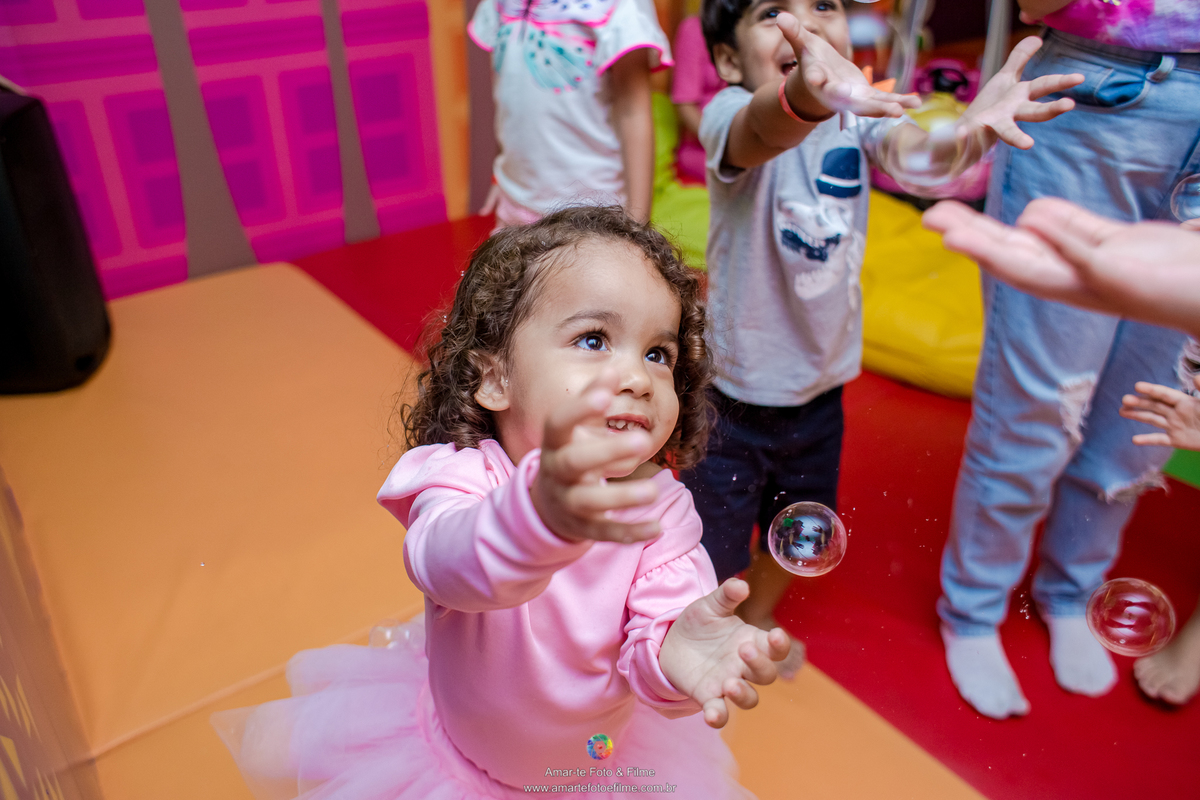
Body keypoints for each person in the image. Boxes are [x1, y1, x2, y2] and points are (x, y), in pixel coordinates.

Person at [212, 206, 789, 799]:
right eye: (593, 339)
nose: (638, 378)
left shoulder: (659, 509)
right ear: (495, 378)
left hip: (596, 770)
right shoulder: (463, 479)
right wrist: (534, 517)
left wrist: (675, 653)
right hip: (452, 768)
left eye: (657, 354)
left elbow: (660, 633)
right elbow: (445, 562)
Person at [680, 0, 1081, 676]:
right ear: (727, 61)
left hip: (820, 393)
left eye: (825, 7)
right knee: (709, 543)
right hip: (734, 397)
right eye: (776, 11)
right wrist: (804, 94)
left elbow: (925, 157)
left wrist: (977, 128)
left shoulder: (856, 122)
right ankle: (706, 632)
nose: (807, 25)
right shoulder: (730, 114)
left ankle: (757, 615)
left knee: (804, 530)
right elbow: (762, 126)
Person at [930, 0, 1200, 719]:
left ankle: (1073, 591)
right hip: (1099, 86)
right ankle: (974, 609)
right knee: (1039, 402)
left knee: (1148, 410)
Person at [924, 196, 1200, 707]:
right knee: (1031, 424)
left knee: (1139, 433)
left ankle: (1072, 594)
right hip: (1088, 127)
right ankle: (973, 613)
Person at [469, 0, 670, 227]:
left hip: (592, 212)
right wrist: (500, 176)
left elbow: (633, 111)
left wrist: (637, 226)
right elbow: (509, 96)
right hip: (514, 203)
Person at [672, 14, 726, 182]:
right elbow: (685, 106)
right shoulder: (694, 29)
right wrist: (723, 144)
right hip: (704, 149)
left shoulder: (752, 28)